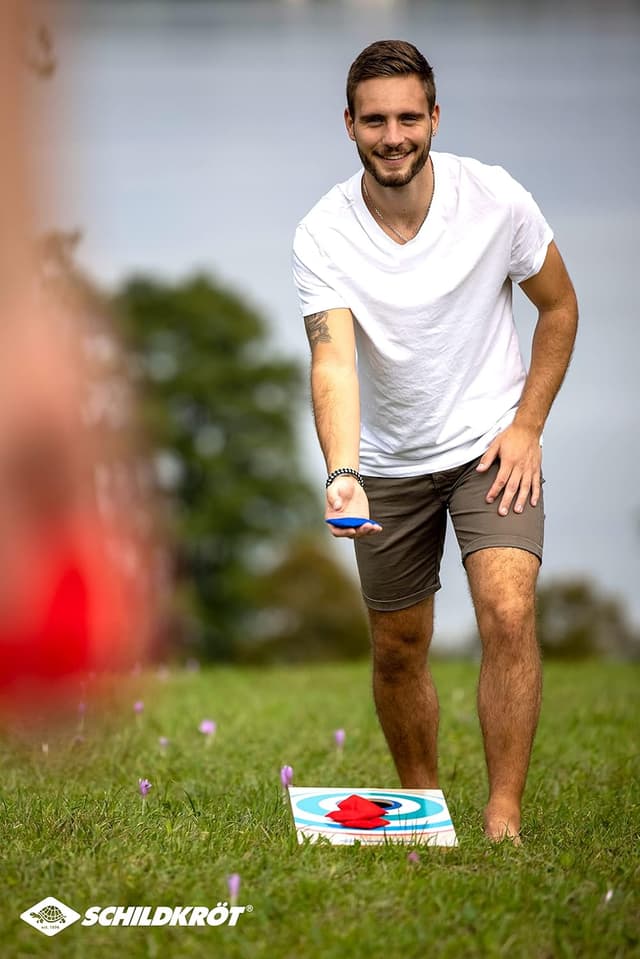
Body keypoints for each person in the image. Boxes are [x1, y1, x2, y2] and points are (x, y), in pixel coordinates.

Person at [292, 40, 578, 841]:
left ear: (434, 118)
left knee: (508, 610)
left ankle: (502, 818)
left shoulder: (497, 200)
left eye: (409, 117)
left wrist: (527, 426)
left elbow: (560, 308)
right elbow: (333, 361)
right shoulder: (322, 234)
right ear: (348, 125)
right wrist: (342, 470)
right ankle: (424, 812)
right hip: (383, 463)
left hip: (490, 449)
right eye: (375, 120)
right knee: (398, 646)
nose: (394, 136)